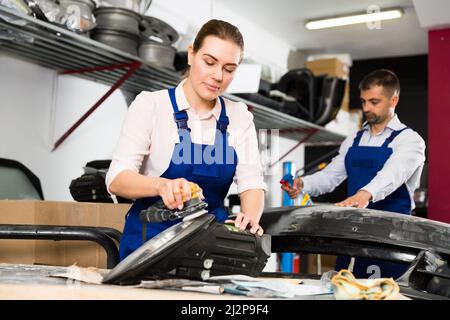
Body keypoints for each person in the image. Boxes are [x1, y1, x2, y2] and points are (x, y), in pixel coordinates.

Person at [106, 19, 267, 260]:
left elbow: (251, 184)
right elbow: (117, 179)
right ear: (191, 55)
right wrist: (161, 185)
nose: (217, 76)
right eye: (209, 62)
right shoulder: (151, 105)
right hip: (148, 247)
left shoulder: (239, 116)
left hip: (210, 249)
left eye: (229, 69)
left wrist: (250, 217)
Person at [281, 69, 426, 278]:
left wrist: (363, 195)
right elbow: (331, 176)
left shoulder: (410, 140)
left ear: (394, 99)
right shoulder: (354, 139)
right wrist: (302, 184)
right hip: (354, 236)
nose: (366, 108)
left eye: (374, 102)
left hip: (392, 241)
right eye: (364, 101)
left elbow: (393, 174)